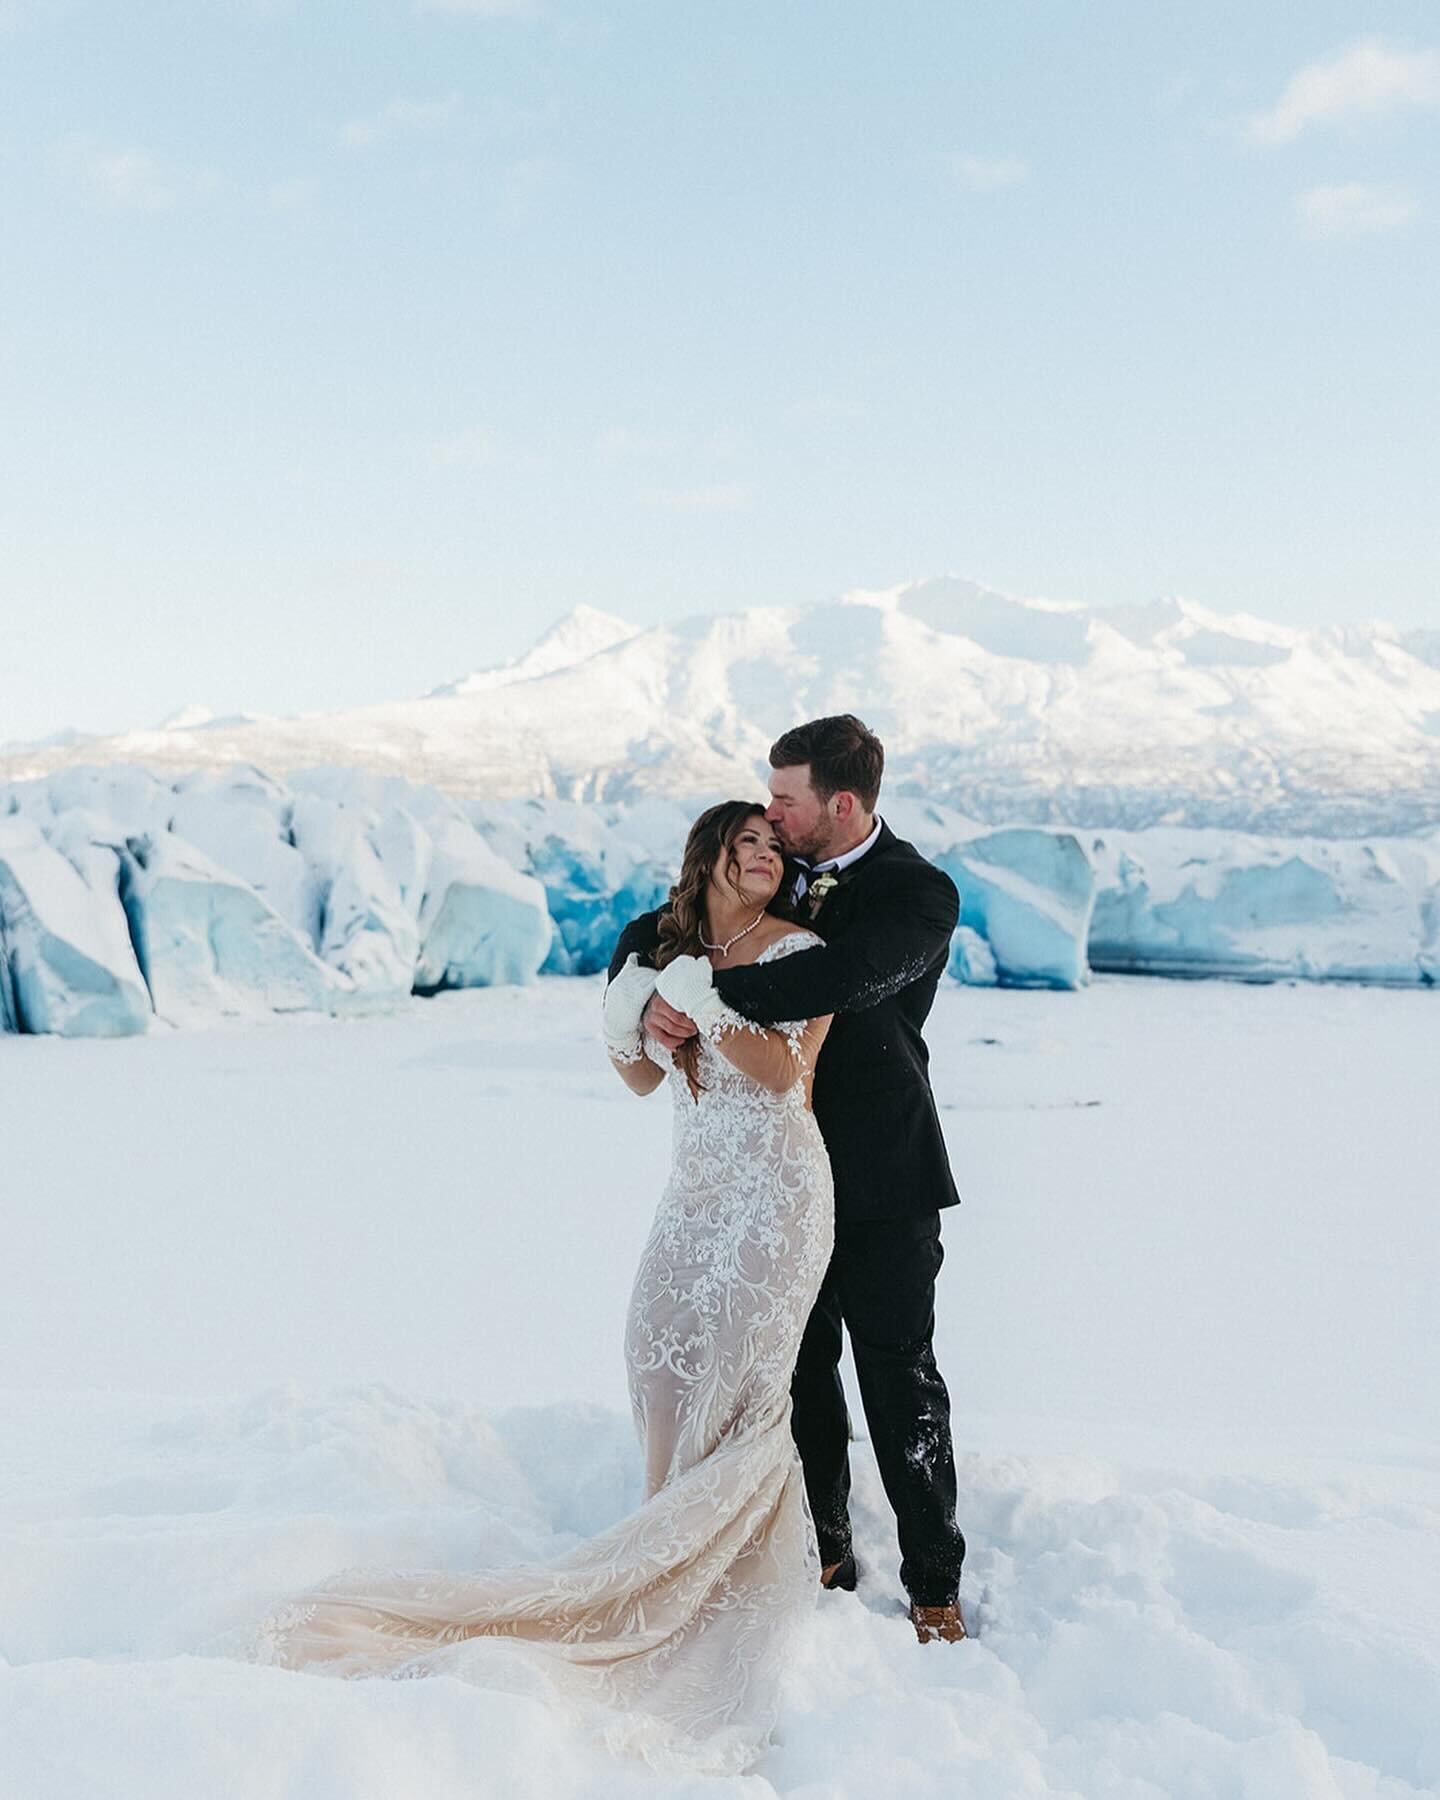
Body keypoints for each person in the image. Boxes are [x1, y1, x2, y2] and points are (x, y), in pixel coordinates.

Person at [250, 801, 835, 1776]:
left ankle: (705, 1587)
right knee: (657, 1364)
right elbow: (641, 1081)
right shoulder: (669, 947)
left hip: (776, 1192)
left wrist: (711, 997)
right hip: (694, 1195)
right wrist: (634, 1016)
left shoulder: (800, 950)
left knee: (738, 1388)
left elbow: (785, 1073)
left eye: (777, 848)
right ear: (711, 859)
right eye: (749, 846)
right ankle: (658, 1549)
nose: (768, 859)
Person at [615, 713, 968, 1644]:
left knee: (899, 1376)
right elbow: (668, 923)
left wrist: (697, 990)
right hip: (772, 1184)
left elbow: (839, 979)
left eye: (786, 799)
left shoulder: (918, 894)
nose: (771, 812)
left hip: (883, 1173)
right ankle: (824, 1554)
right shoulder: (774, 873)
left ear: (839, 804)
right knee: (796, 1374)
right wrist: (638, 977)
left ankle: (935, 1583)